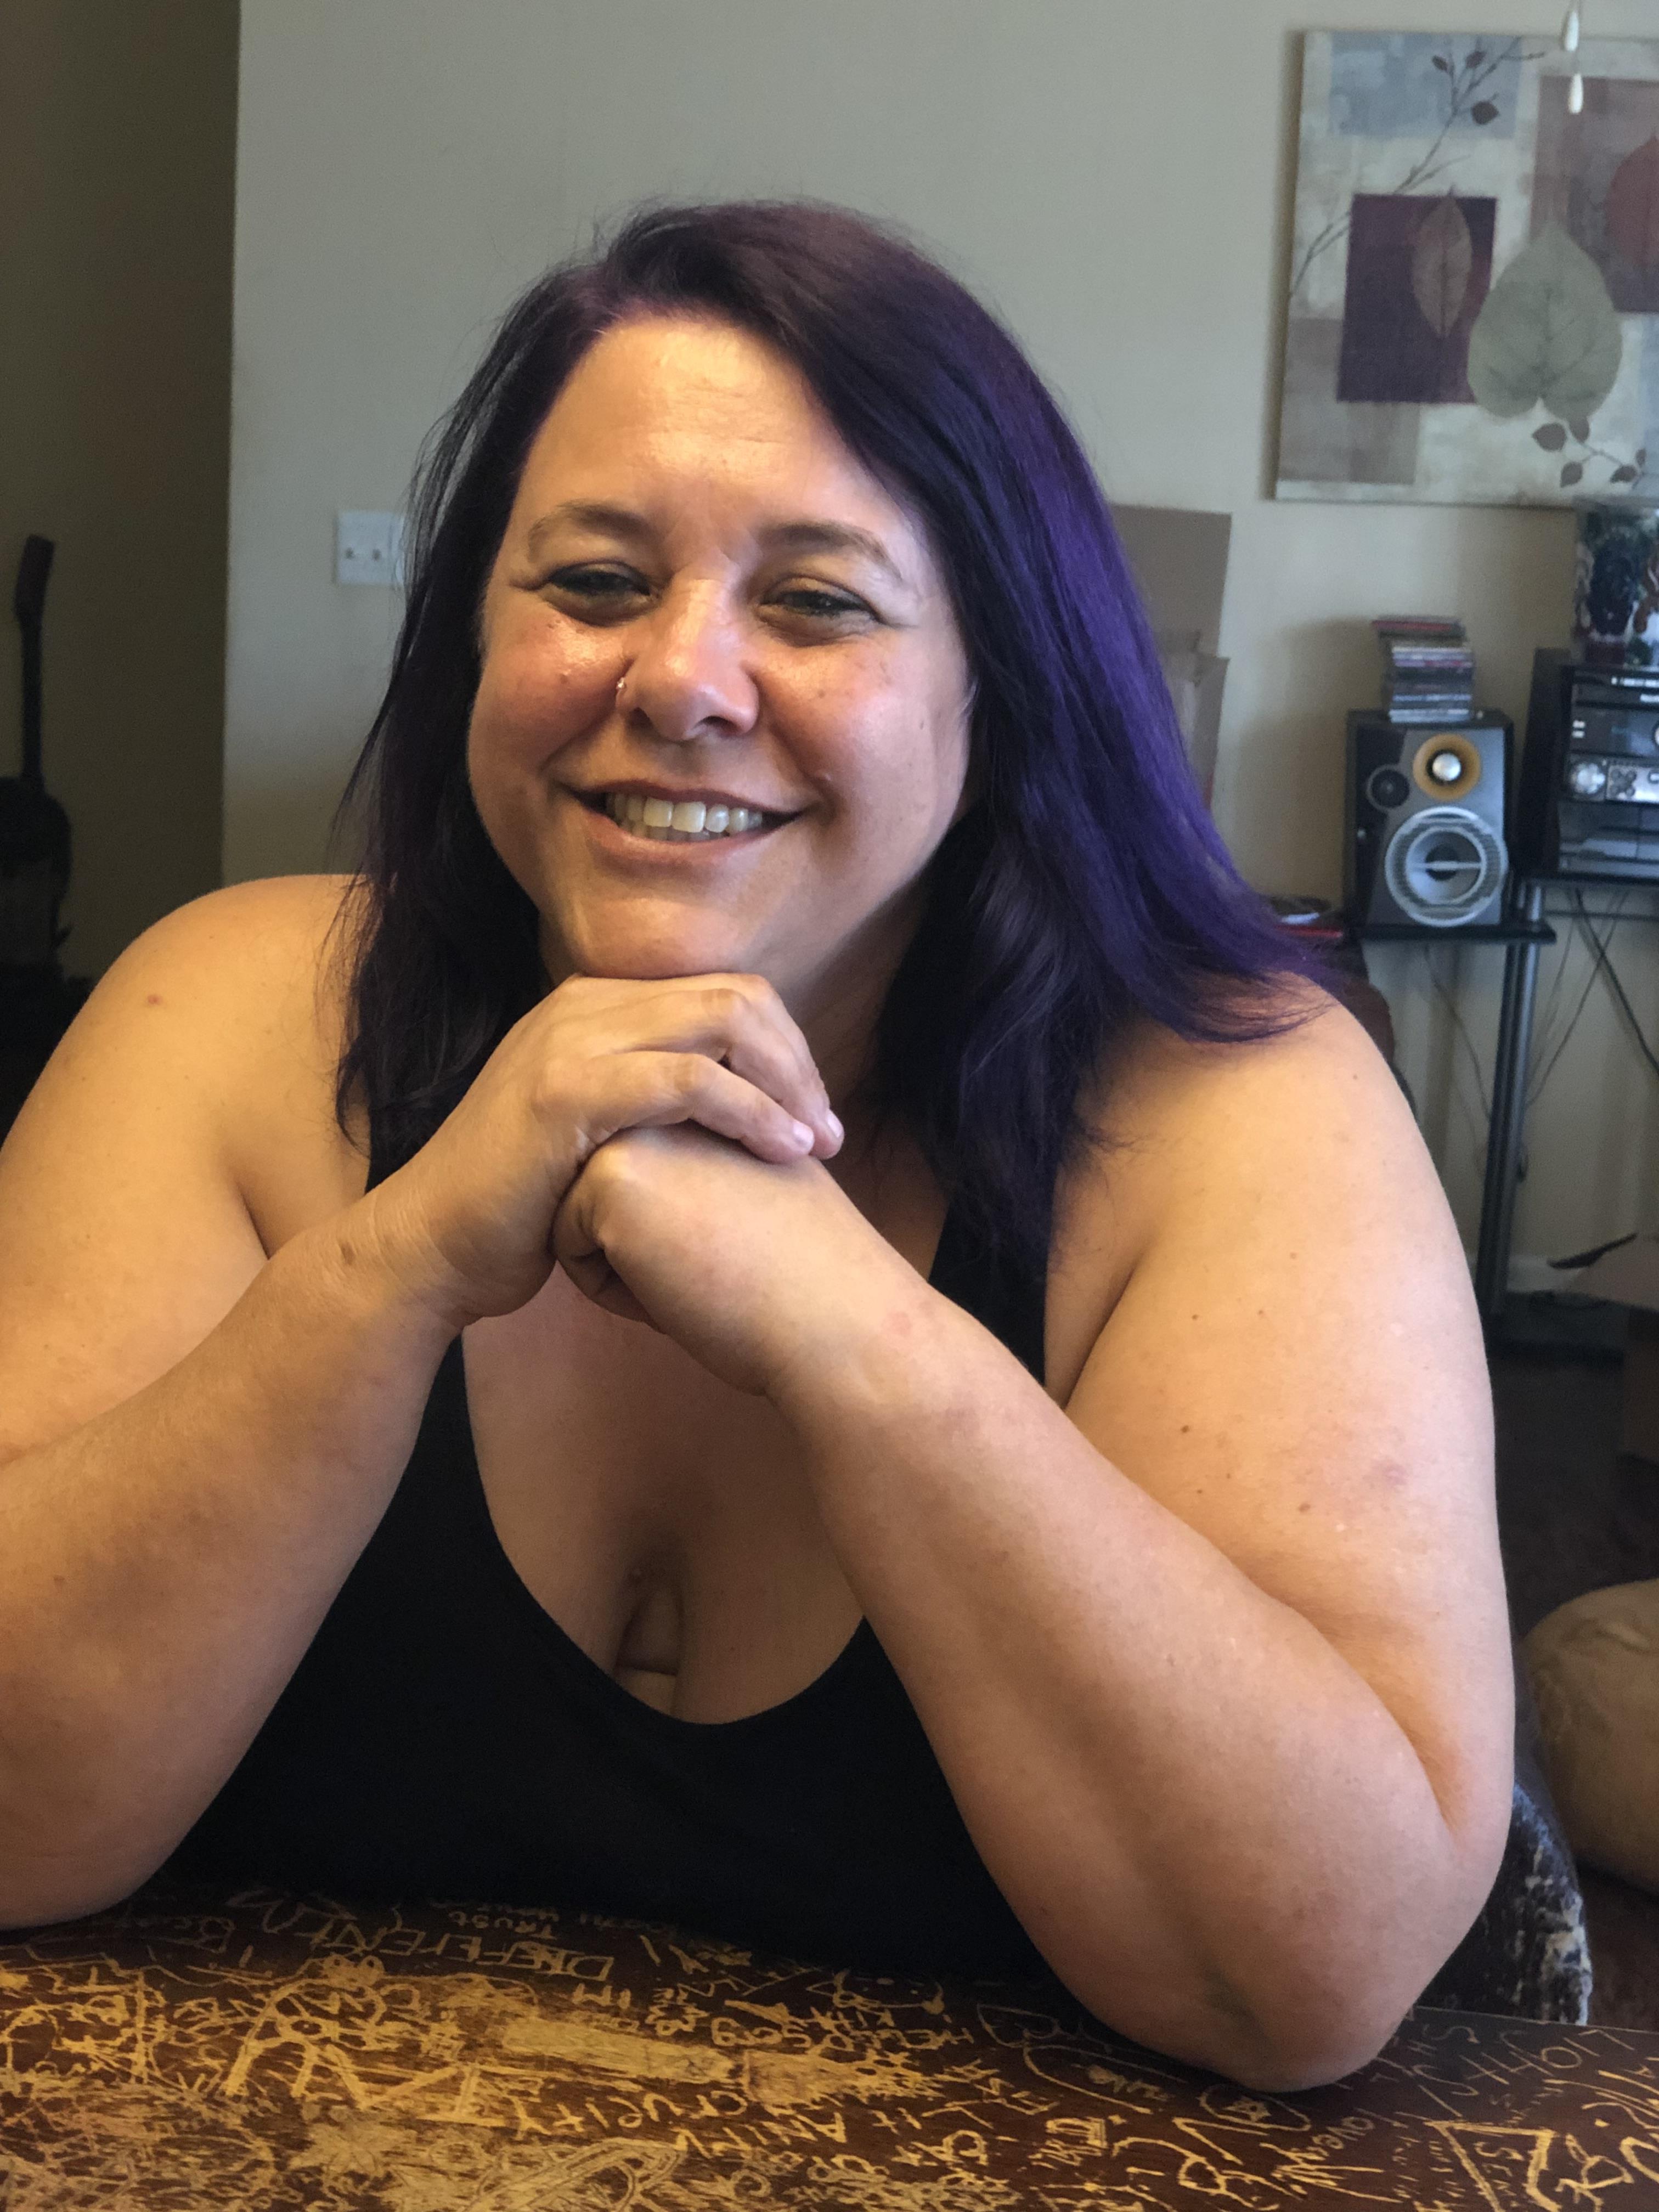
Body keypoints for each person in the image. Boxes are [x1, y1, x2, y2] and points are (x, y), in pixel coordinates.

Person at [0, 202, 1511, 2090]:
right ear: (478, 627)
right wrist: (381, 1285)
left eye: (816, 601)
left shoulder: (1240, 1105)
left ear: (999, 688)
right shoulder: (223, 1018)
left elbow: (1308, 1978)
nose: (683, 681)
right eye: (594, 581)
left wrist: (864, 1344)